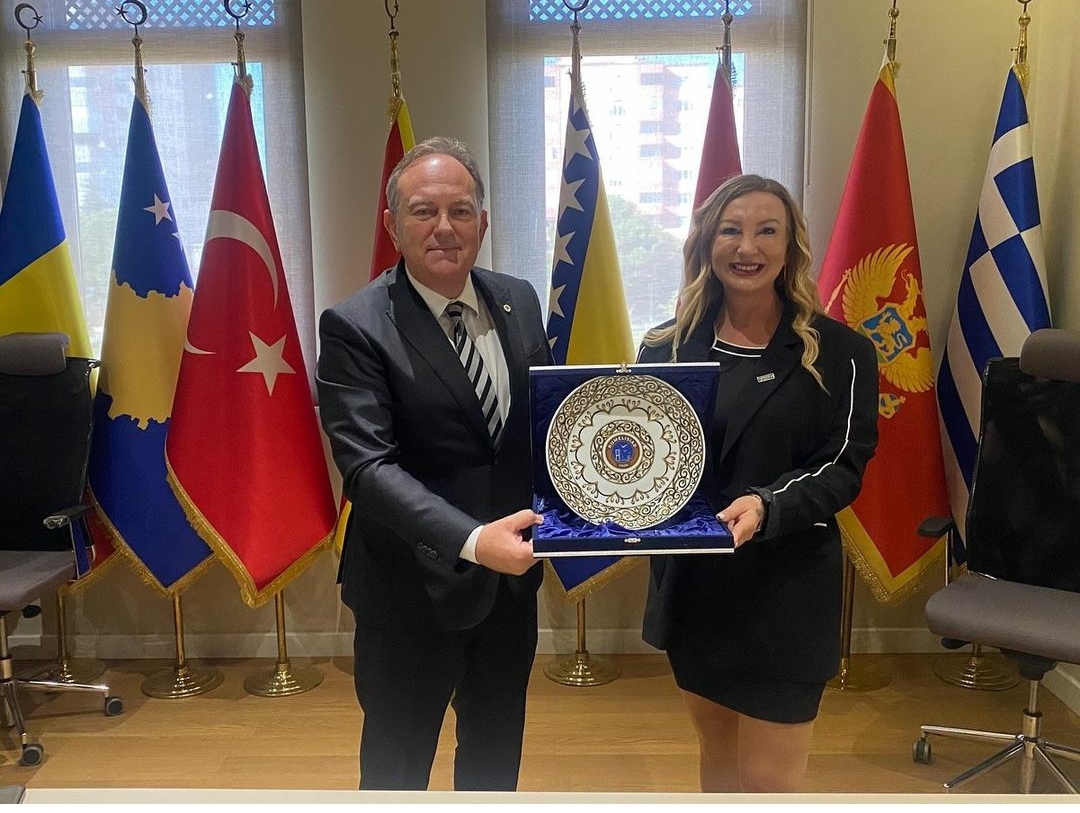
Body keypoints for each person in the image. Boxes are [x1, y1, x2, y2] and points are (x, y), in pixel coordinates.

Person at [316, 137, 552, 791]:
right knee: (396, 775)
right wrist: (472, 540)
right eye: (423, 211)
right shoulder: (356, 326)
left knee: (494, 768)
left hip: (509, 592)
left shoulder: (519, 299)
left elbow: (544, 426)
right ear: (392, 225)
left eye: (461, 210)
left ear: (483, 221)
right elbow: (368, 467)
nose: (444, 227)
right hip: (409, 595)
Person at [637, 174, 879, 793]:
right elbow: (646, 462)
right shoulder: (663, 348)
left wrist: (769, 505)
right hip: (695, 592)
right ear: (707, 243)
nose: (748, 247)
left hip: (786, 593)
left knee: (770, 785)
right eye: (732, 230)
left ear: (791, 246)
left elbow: (845, 465)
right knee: (718, 762)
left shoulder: (842, 352)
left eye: (767, 231)